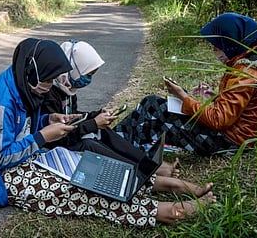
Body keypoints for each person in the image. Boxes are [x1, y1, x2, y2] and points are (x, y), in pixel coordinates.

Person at [0, 37, 216, 227]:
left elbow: (22, 129)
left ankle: (164, 184)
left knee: (89, 167)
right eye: (48, 81)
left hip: (25, 159)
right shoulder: (1, 102)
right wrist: (43, 136)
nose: (50, 87)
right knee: (78, 190)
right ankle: (165, 212)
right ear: (31, 72)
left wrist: (49, 119)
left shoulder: (20, 83)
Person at [115, 12, 257, 156]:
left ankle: (115, 145)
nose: (215, 53)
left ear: (231, 44)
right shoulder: (253, 62)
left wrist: (183, 96)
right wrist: (214, 97)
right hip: (238, 136)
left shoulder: (246, 73)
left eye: (217, 48)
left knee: (153, 108)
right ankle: (121, 144)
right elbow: (243, 108)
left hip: (229, 143)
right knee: (151, 104)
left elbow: (219, 120)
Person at [42, 39, 180, 177]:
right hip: (56, 146)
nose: (88, 80)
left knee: (105, 132)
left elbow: (73, 116)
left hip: (68, 136)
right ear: (73, 69)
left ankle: (149, 166)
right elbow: (59, 137)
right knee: (90, 144)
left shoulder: (67, 90)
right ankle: (141, 174)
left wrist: (95, 115)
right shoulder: (50, 95)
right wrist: (93, 123)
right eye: (88, 74)